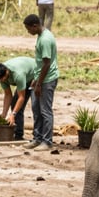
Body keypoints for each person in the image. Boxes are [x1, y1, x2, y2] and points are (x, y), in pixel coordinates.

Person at [23, 14, 58, 151]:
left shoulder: (45, 40)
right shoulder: (42, 35)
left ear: (35, 26)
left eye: (28, 29)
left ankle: (47, 141)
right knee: (36, 109)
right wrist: (35, 79)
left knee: (45, 111)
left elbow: (47, 64)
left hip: (47, 80)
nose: (28, 32)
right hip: (41, 78)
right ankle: (37, 138)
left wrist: (39, 84)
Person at [0, 57, 35, 141]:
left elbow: (21, 97)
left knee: (36, 106)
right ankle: (18, 135)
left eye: (2, 78)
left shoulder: (18, 74)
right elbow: (8, 95)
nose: (1, 81)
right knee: (15, 104)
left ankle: (38, 136)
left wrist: (13, 114)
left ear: (7, 72)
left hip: (35, 76)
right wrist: (4, 114)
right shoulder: (2, 77)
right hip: (24, 77)